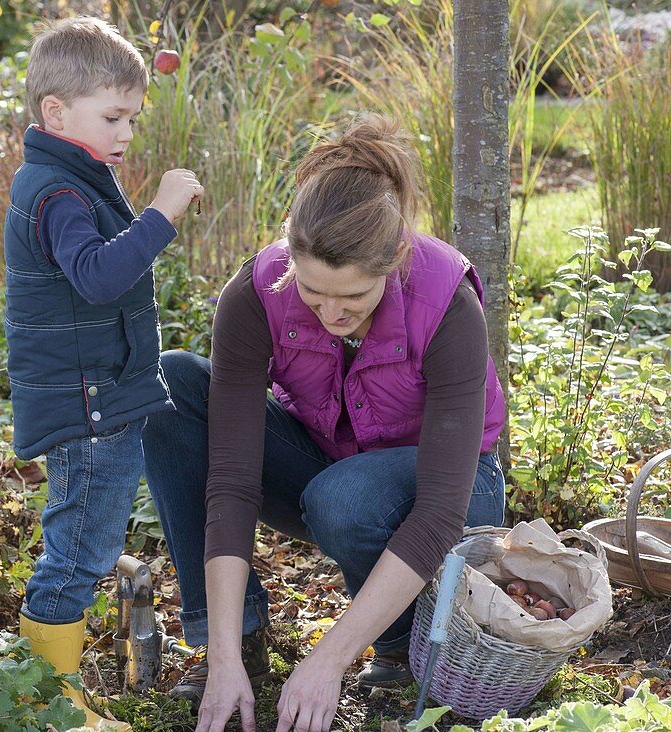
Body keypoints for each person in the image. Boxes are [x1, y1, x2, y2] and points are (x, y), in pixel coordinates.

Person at [143, 114, 507, 732]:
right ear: (290, 253)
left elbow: (442, 512)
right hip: (327, 469)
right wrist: (223, 651)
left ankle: (397, 643)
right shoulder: (256, 294)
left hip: (451, 489)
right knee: (171, 385)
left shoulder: (448, 303)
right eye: (313, 295)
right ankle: (236, 649)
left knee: (346, 498)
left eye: (353, 299)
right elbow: (231, 481)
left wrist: (329, 659)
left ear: (394, 259)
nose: (331, 313)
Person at [4, 16, 204, 730]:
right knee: (79, 553)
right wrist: (161, 214)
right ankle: (48, 705)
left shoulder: (69, 177)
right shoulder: (58, 193)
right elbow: (97, 276)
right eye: (113, 117)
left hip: (101, 398)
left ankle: (51, 693)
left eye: (132, 118)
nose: (126, 133)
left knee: (80, 544)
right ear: (55, 113)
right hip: (89, 409)